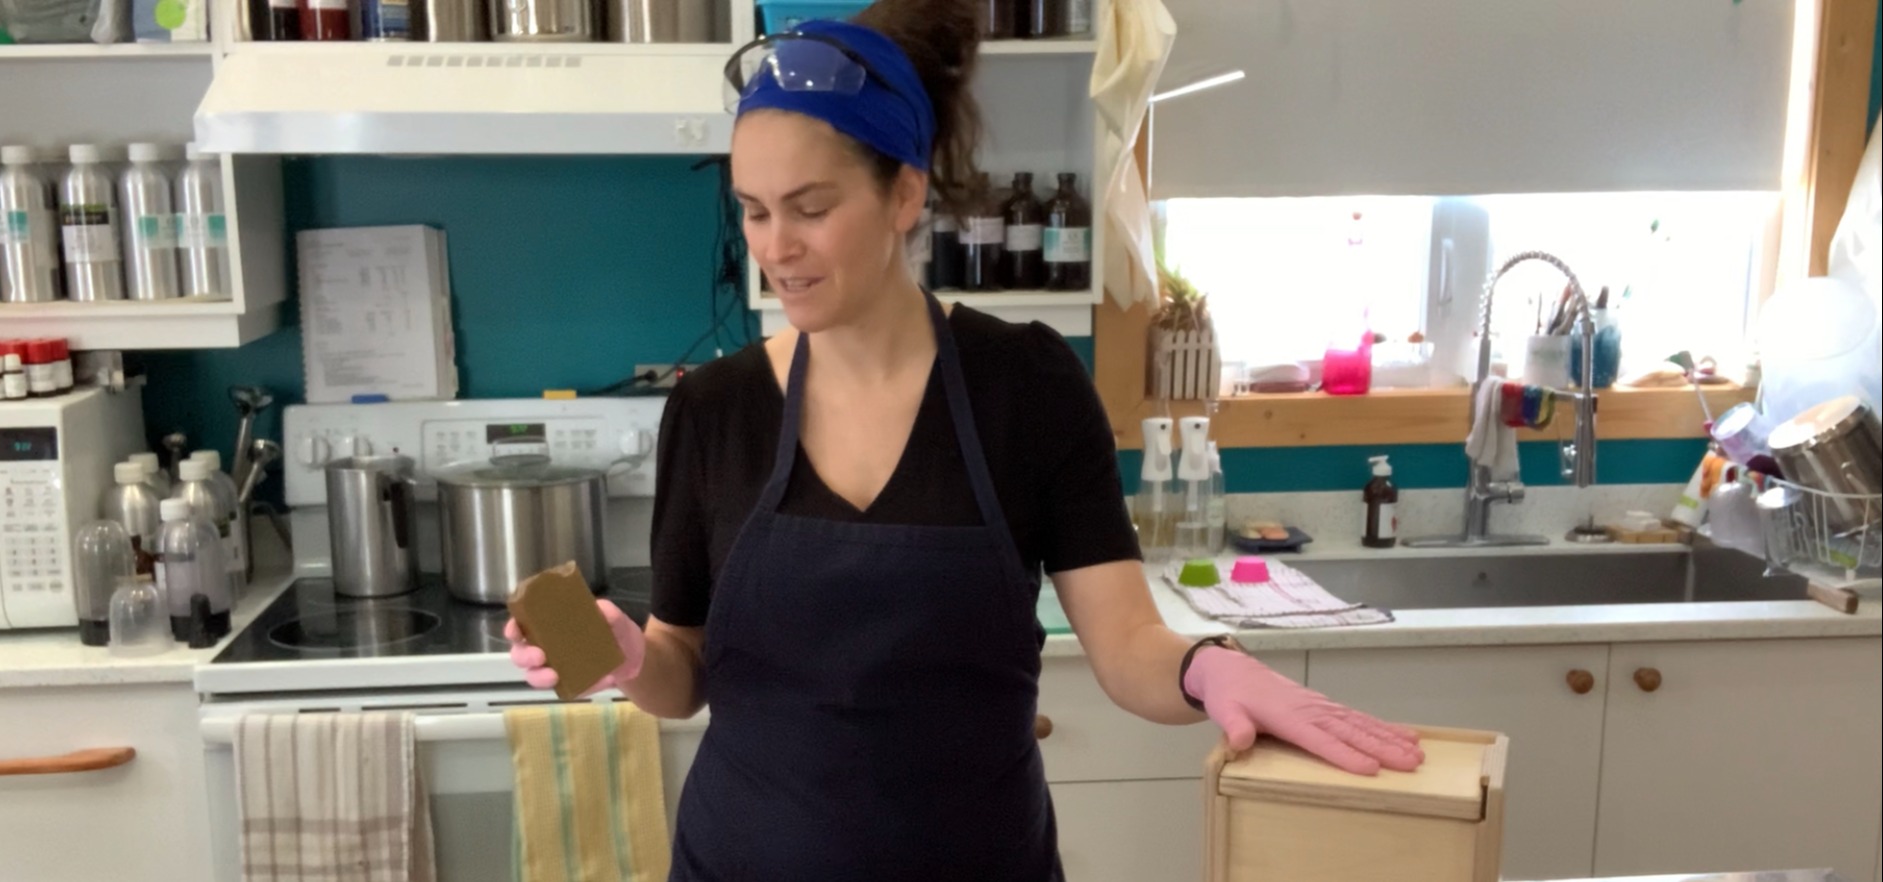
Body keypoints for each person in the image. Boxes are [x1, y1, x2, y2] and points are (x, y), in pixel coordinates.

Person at [505, 0, 1425, 877]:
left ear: (903, 194)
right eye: (753, 209)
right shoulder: (715, 409)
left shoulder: (1022, 385)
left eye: (810, 207)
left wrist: (1209, 669)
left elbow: (1127, 643)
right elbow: (685, 673)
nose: (774, 246)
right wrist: (627, 661)